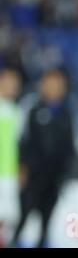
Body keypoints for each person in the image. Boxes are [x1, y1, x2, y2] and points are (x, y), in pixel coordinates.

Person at [10, 68, 76, 248]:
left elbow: (70, 146)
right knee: (23, 216)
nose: (54, 88)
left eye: (58, 84)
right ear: (42, 85)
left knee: (46, 221)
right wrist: (22, 167)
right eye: (50, 83)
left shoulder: (67, 113)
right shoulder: (32, 109)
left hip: (54, 178)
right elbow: (23, 141)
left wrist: (66, 173)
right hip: (32, 175)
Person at [0, 67, 22, 247]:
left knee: (6, 220)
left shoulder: (18, 112)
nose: (11, 87)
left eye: (14, 84)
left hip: (9, 174)